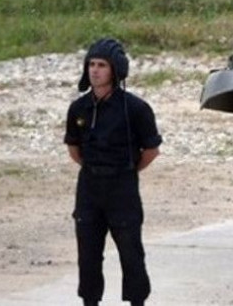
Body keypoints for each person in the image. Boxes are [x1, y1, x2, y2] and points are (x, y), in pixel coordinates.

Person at [64, 38, 162, 306]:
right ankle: (90, 301)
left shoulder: (136, 109)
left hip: (122, 189)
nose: (95, 71)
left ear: (115, 70)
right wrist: (94, 169)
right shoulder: (79, 108)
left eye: (102, 65)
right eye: (91, 65)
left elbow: (151, 150)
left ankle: (137, 302)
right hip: (89, 188)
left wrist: (126, 170)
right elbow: (74, 149)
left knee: (131, 254)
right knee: (88, 255)